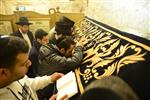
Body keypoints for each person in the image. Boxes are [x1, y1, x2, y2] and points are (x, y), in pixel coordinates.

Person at [0, 35, 67, 100]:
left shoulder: (16, 77)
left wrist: (50, 78)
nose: (30, 63)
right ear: (3, 73)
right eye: (24, 64)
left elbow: (29, 83)